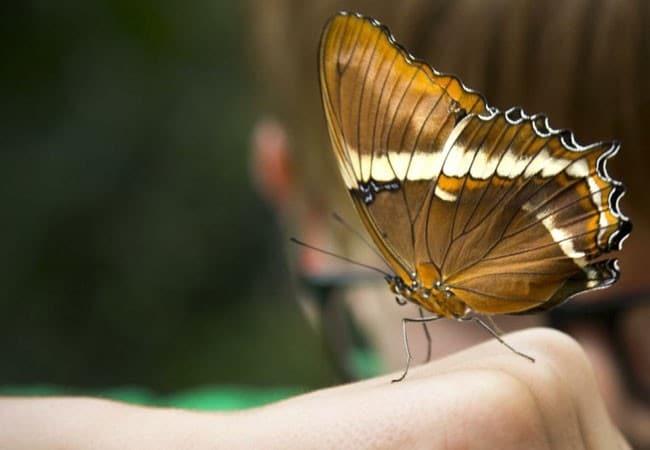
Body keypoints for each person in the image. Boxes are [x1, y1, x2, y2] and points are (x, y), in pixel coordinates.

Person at [0, 1, 644, 448]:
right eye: (513, 323)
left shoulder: (422, 251)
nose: (575, 384)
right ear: (311, 214)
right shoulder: (231, 424)